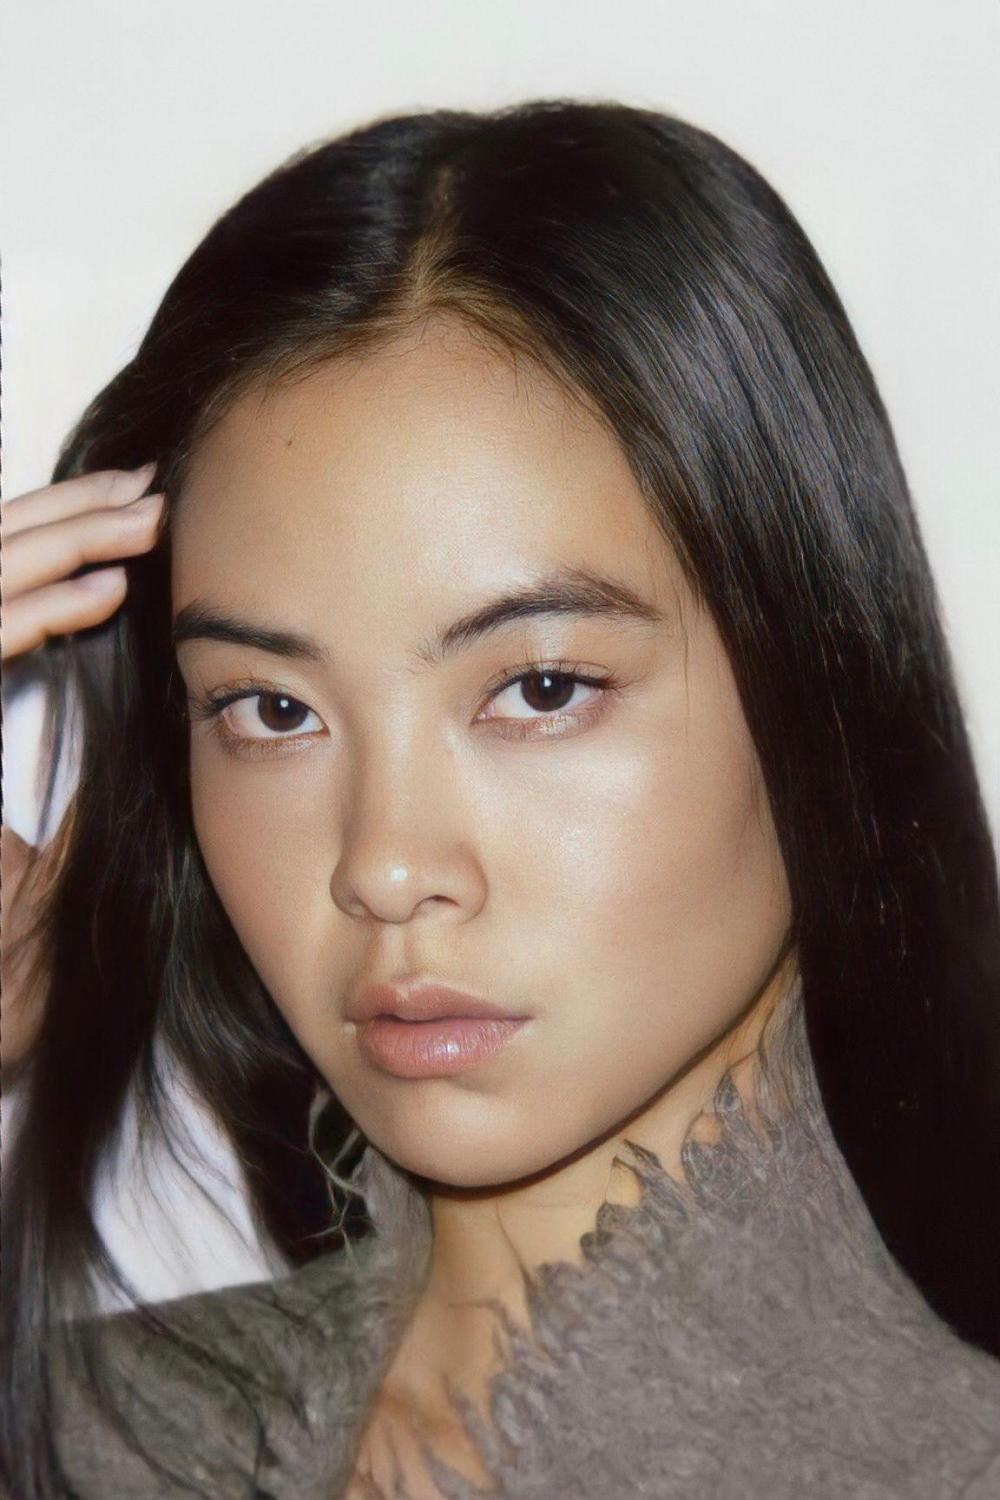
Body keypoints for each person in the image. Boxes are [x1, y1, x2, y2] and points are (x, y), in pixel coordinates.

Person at [2, 97, 999, 1500]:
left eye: (539, 688)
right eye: (272, 710)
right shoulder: (92, 1442)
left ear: (817, 680)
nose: (385, 865)